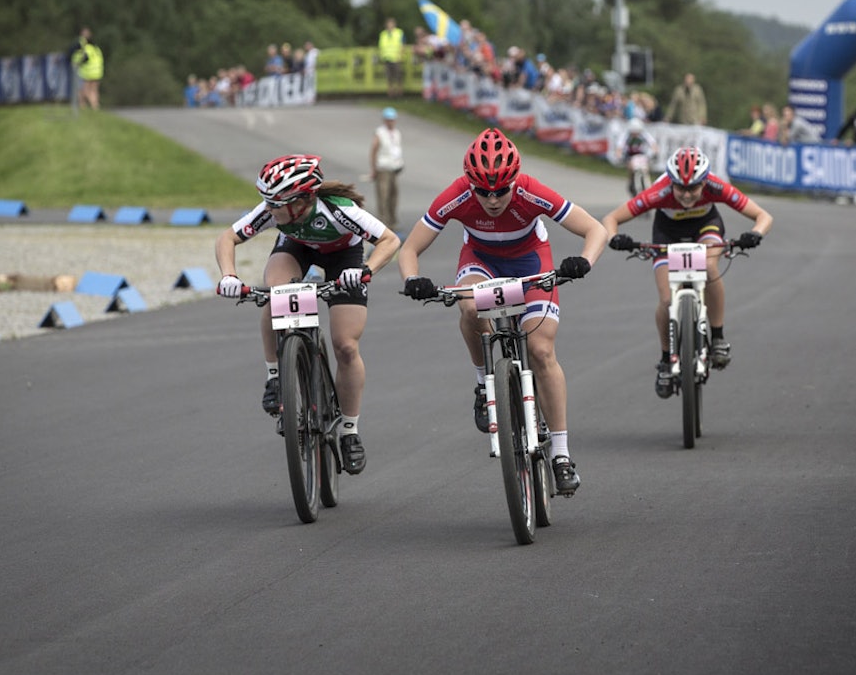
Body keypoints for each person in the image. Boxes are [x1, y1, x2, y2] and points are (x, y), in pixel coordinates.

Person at [396, 128, 608, 495]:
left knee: (541, 350)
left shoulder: (531, 191)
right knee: (469, 306)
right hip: (482, 261)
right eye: (483, 191)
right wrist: (413, 279)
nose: (492, 199)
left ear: (514, 181)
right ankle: (484, 385)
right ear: (470, 185)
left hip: (531, 261)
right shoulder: (456, 195)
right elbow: (408, 249)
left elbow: (595, 230)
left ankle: (560, 454)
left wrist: (583, 261)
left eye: (500, 190)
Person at [215, 154, 401, 475]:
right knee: (275, 295)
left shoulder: (340, 211)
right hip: (296, 247)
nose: (268, 209)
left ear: (301, 201)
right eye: (267, 202)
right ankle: (275, 377)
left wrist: (366, 270)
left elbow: (390, 239)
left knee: (346, 346)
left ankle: (349, 431)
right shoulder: (277, 210)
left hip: (345, 257)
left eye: (275, 203)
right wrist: (229, 275)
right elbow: (227, 238)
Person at [600, 147, 773, 397]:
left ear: (705, 182)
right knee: (668, 299)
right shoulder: (659, 191)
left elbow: (763, 216)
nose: (687, 195)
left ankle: (718, 337)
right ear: (671, 183)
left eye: (694, 188)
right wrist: (615, 238)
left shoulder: (715, 186)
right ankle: (665, 359)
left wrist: (755, 234)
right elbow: (610, 219)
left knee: (709, 265)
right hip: (667, 231)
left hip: (705, 226)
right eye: (680, 188)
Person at [369, 106, 404, 230]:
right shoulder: (380, 133)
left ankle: (392, 222)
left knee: (393, 196)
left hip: (394, 168)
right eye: (388, 119)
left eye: (393, 119)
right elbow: (373, 151)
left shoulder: (396, 133)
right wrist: (373, 169)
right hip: (383, 169)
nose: (391, 122)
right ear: (384, 120)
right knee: (383, 196)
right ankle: (383, 223)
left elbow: (397, 150)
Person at [615, 118, 660, 195]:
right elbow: (619, 147)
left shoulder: (644, 134)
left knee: (646, 168)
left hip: (641, 155)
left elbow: (653, 144)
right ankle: (631, 183)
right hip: (630, 155)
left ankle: (647, 185)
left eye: (637, 132)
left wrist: (655, 152)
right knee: (631, 167)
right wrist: (619, 155)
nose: (635, 134)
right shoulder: (625, 135)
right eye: (633, 133)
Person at [70, 27, 103, 110]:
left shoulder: (87, 48)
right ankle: (94, 105)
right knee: (94, 91)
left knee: (86, 91)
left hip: (88, 72)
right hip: (98, 72)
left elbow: (85, 58)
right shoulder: (96, 48)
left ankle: (94, 106)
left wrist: (78, 63)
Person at [378, 17, 405, 98]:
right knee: (389, 77)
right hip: (386, 58)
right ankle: (391, 93)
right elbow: (381, 46)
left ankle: (399, 92)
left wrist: (400, 55)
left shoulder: (399, 33)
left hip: (396, 58)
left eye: (391, 23)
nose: (390, 25)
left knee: (398, 76)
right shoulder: (383, 34)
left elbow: (402, 45)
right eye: (388, 24)